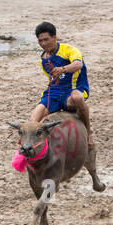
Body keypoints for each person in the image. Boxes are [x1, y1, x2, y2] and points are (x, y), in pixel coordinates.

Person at [31, 21, 94, 150]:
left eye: (46, 40)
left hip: (74, 88)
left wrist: (63, 69)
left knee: (77, 98)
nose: (43, 44)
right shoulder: (43, 59)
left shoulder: (69, 50)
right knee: (33, 121)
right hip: (54, 93)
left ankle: (88, 132)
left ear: (55, 37)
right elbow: (52, 79)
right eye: (40, 41)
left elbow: (78, 64)